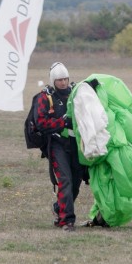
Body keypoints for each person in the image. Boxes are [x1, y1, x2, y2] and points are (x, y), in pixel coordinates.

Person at [34, 62, 85, 232]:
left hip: (76, 144)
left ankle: (59, 208)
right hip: (57, 144)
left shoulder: (77, 92)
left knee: (76, 182)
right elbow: (40, 122)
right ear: (53, 81)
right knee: (65, 180)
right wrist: (62, 122)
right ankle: (67, 220)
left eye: (65, 79)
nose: (63, 83)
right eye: (59, 80)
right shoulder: (45, 97)